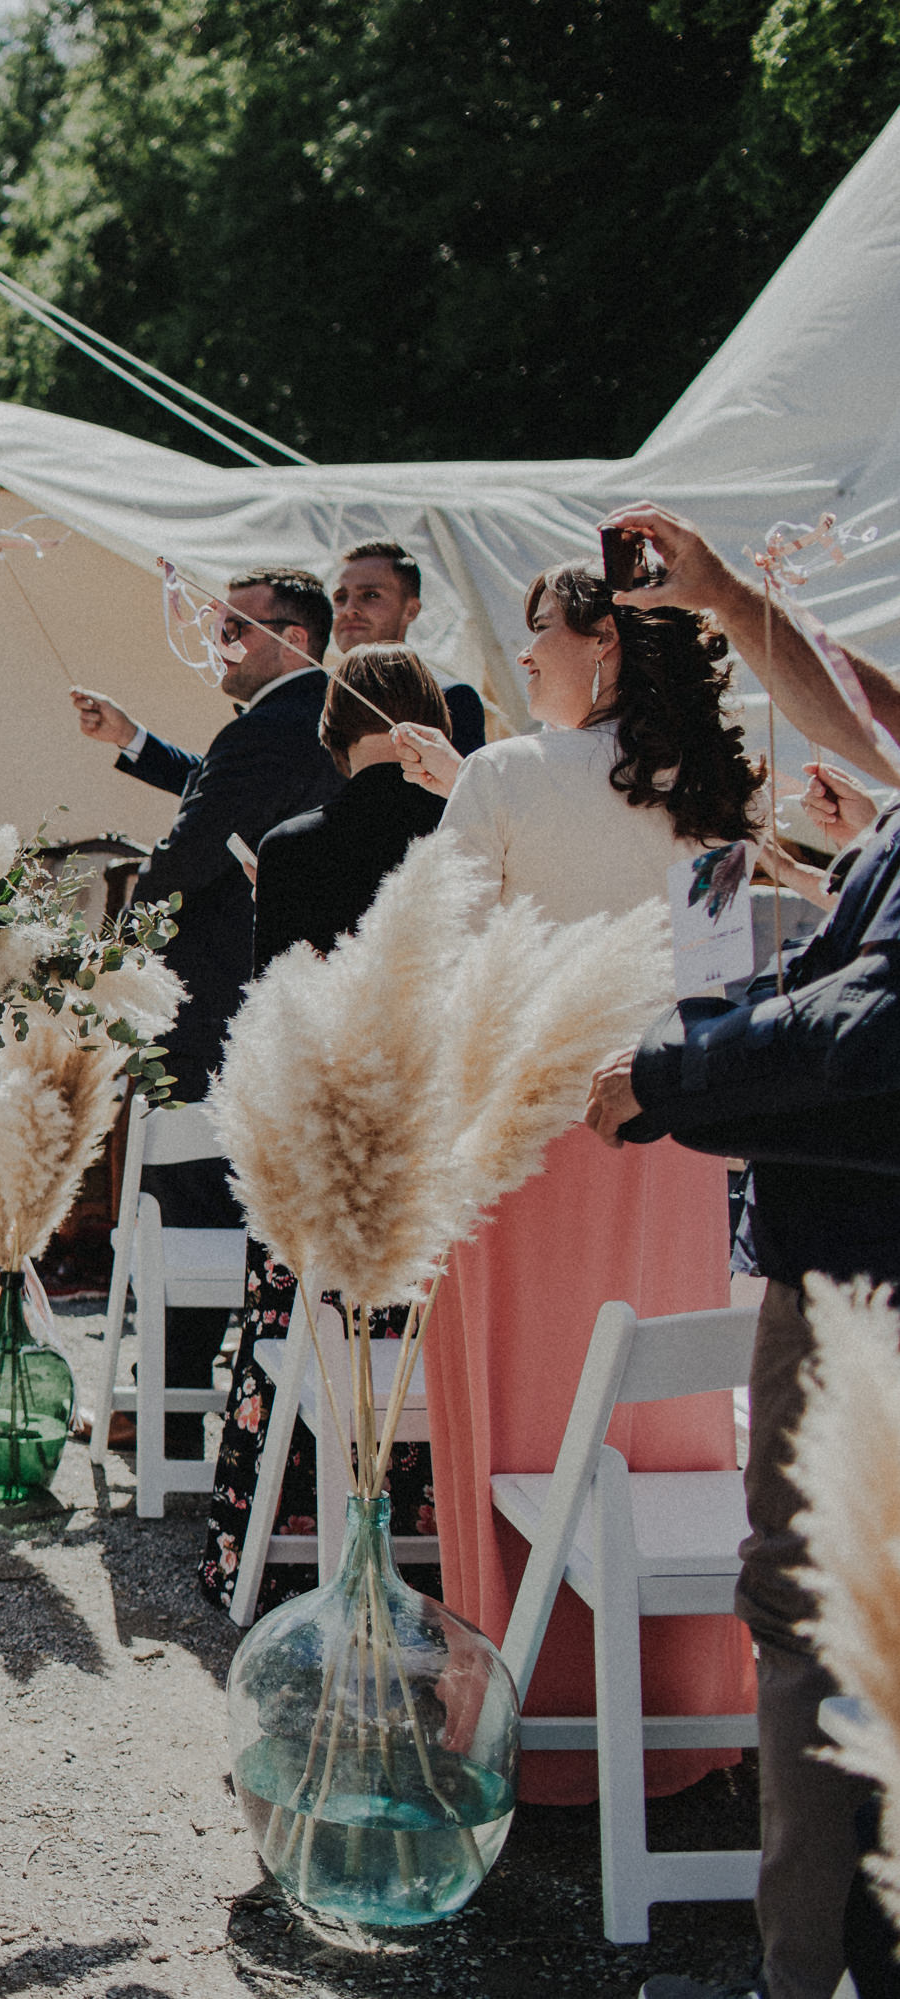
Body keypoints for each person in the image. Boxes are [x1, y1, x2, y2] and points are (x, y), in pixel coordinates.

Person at [581, 503, 900, 1999]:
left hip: (863, 1277)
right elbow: (860, 710)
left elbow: (865, 1035)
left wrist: (667, 1073)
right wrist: (713, 595)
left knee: (807, 1601)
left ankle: (802, 1971)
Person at [391, 558, 764, 1808]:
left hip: (517, 1147)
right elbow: (714, 992)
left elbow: (434, 963)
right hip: (666, 1144)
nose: (525, 657)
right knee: (655, 1417)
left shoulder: (502, 775)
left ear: (598, 644)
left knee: (509, 1418)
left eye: (538, 636)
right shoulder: (713, 795)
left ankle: (502, 1718)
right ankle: (674, 1715)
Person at [68, 566, 344, 1463]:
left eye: (234, 629)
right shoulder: (314, 718)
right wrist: (136, 740)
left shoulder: (268, 728)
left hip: (214, 997)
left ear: (292, 639)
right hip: (273, 996)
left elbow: (191, 849)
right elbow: (222, 796)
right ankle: (177, 1406)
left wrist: (124, 916)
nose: (213, 642)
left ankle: (166, 1421)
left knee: (181, 1198)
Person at [200, 644, 451, 1608]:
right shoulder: (461, 839)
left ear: (330, 730)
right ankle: (426, 1548)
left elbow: (272, 1014)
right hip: (430, 1156)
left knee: (292, 1338)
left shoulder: (295, 845)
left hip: (318, 1157)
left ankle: (267, 1552)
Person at [331, 540, 488, 753]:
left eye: (370, 595)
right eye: (341, 598)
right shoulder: (313, 696)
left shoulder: (447, 698)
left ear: (411, 610)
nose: (349, 610)